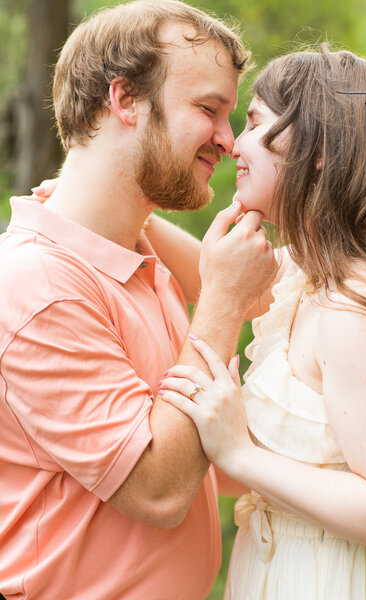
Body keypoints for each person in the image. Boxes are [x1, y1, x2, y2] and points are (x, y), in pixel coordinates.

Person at [0, 2, 275, 599]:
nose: (229, 141)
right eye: (209, 110)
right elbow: (159, 489)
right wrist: (223, 300)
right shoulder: (38, 288)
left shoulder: (129, 257)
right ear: (124, 99)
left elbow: (210, 455)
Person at [159, 46, 366, 599]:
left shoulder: (352, 306)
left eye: (254, 122)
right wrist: (129, 220)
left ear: (316, 151)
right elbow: (215, 280)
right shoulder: (306, 272)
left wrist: (239, 453)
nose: (234, 144)